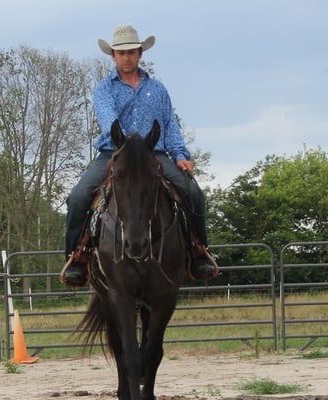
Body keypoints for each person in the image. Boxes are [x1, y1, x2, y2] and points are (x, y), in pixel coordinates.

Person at [62, 24, 217, 287]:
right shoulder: (104, 89)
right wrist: (128, 146)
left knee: (192, 192)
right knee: (78, 197)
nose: (126, 57)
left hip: (154, 155)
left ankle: (198, 250)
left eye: (131, 52)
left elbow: (170, 124)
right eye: (121, 53)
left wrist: (180, 154)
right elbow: (109, 123)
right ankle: (78, 256)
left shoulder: (158, 90)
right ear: (112, 55)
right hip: (115, 152)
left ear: (140, 54)